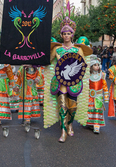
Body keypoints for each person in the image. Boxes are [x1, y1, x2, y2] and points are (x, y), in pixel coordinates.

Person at [44, 9, 93, 143]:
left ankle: (70, 123)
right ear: (61, 35)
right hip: (60, 81)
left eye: (68, 33)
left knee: (72, 107)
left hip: (73, 82)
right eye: (64, 34)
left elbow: (83, 65)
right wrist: (33, 62)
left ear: (72, 34)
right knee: (62, 105)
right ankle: (63, 131)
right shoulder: (56, 49)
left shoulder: (78, 49)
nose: (66, 36)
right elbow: (47, 61)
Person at [87, 56, 108, 134]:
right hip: (90, 96)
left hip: (98, 96)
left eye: (98, 65)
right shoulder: (88, 75)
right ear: (91, 66)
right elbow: (85, 86)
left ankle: (96, 125)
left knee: (97, 110)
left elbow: (104, 86)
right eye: (95, 65)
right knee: (90, 110)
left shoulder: (102, 75)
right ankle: (90, 123)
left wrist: (106, 97)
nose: (97, 67)